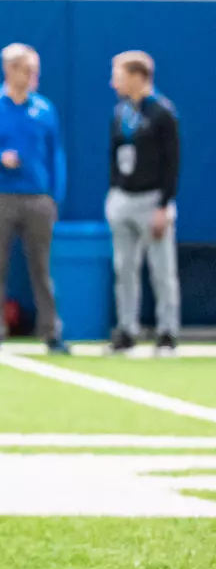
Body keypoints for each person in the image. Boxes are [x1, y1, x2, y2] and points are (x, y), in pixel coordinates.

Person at [0, 43, 69, 354]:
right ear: (9, 70)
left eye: (35, 71)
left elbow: (55, 156)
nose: (33, 76)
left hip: (37, 199)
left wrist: (53, 197)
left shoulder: (45, 109)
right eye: (27, 70)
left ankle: (51, 332)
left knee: (42, 269)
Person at [106, 50, 181, 356]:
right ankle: (126, 329)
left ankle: (167, 332)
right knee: (123, 268)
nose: (114, 83)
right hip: (123, 197)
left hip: (152, 199)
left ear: (138, 77)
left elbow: (172, 161)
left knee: (161, 270)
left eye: (119, 76)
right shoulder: (122, 113)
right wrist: (113, 193)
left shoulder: (162, 113)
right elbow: (113, 156)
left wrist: (164, 204)